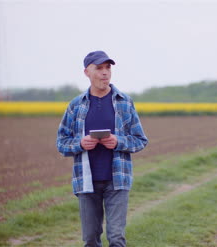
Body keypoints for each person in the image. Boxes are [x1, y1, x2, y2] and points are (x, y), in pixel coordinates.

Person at [56, 50, 148, 247]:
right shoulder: (76, 105)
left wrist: (118, 142)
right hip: (86, 182)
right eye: (99, 68)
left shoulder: (124, 102)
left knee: (116, 238)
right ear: (86, 72)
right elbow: (61, 143)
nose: (105, 73)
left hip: (117, 180)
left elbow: (140, 139)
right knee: (90, 239)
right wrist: (80, 144)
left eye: (108, 68)